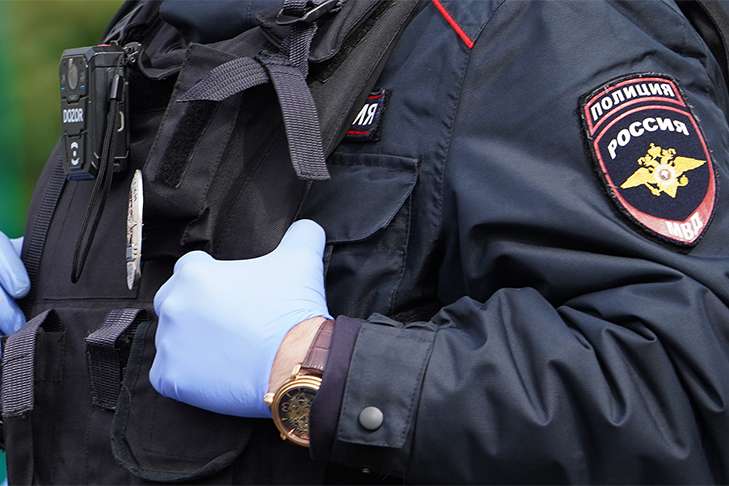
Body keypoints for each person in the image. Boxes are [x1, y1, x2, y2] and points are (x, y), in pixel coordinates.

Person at [2, 0, 729, 483]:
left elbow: (685, 390)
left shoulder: (532, 24)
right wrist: (29, 342)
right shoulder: (157, 27)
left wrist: (313, 367)